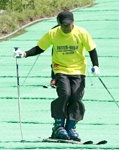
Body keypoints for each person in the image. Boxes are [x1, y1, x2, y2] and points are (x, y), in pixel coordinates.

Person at [14, 10, 99, 141]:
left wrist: (96, 65)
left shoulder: (82, 33)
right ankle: (58, 126)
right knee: (65, 94)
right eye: (63, 25)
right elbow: (40, 48)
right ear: (58, 24)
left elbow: (92, 50)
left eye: (68, 25)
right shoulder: (53, 33)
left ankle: (71, 127)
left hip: (78, 70)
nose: (66, 28)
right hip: (60, 69)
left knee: (76, 96)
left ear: (73, 23)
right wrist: (24, 54)